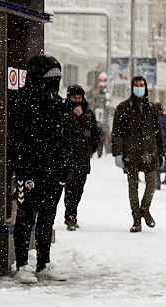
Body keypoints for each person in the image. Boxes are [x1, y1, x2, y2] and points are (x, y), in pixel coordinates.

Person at [7, 54, 68, 283]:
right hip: (29, 170)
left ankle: (44, 263)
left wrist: (64, 167)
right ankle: (22, 264)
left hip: (54, 170)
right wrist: (23, 164)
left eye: (57, 78)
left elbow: (65, 138)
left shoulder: (58, 104)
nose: (54, 83)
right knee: (25, 216)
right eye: (50, 78)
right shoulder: (21, 102)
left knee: (47, 218)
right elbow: (16, 138)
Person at [111, 76, 164, 232]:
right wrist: (118, 153)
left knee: (151, 185)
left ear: (146, 87)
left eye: (141, 85)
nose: (139, 88)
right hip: (131, 154)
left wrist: (161, 153)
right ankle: (136, 219)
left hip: (150, 152)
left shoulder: (152, 108)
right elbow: (117, 133)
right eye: (136, 85)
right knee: (132, 187)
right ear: (132, 87)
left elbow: (158, 133)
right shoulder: (123, 108)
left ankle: (144, 209)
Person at [63, 85, 103, 231]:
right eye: (73, 98)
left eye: (79, 98)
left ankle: (72, 213)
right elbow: (64, 131)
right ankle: (70, 215)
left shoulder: (88, 113)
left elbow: (94, 134)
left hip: (82, 158)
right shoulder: (64, 112)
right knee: (70, 188)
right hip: (67, 158)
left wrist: (90, 150)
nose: (76, 101)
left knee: (79, 189)